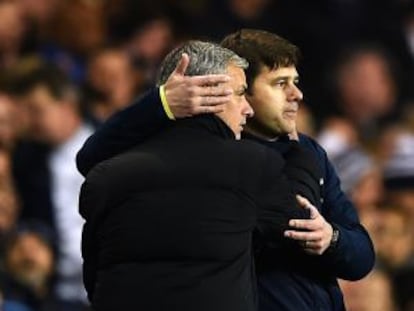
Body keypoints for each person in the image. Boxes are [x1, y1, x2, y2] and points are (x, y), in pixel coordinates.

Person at [76, 30, 375, 310]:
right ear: (224, 90)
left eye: (295, 81)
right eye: (280, 84)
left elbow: (361, 256)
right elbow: (90, 158)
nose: (297, 94)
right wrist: (163, 103)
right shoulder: (228, 162)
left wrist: (332, 238)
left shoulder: (310, 152)